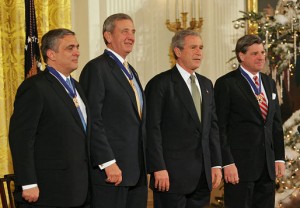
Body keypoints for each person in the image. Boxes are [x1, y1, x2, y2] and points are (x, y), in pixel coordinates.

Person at [9, 28, 90, 207]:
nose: (77, 52)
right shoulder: (35, 87)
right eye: (70, 48)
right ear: (51, 54)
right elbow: (21, 138)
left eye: (77, 47)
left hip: (80, 190)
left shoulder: (77, 87)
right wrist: (28, 182)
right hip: (48, 192)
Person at [145, 30, 222, 208]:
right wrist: (158, 167)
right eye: (193, 47)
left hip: (203, 177)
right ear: (177, 52)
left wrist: (216, 163)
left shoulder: (206, 84)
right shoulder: (160, 84)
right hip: (171, 177)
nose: (199, 52)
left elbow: (212, 128)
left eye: (201, 47)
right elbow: (152, 129)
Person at [79, 13, 147, 208]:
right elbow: (93, 120)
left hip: (136, 172)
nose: (131, 37)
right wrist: (108, 162)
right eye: (124, 31)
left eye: (133, 32)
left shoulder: (131, 70)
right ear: (108, 36)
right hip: (111, 172)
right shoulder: (96, 69)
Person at [214, 34, 285, 208]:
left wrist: (279, 158)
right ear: (241, 55)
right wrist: (227, 162)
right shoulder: (226, 83)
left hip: (267, 168)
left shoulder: (268, 82)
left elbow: (275, 124)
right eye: (254, 53)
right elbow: (220, 128)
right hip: (239, 168)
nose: (261, 57)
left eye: (262, 52)